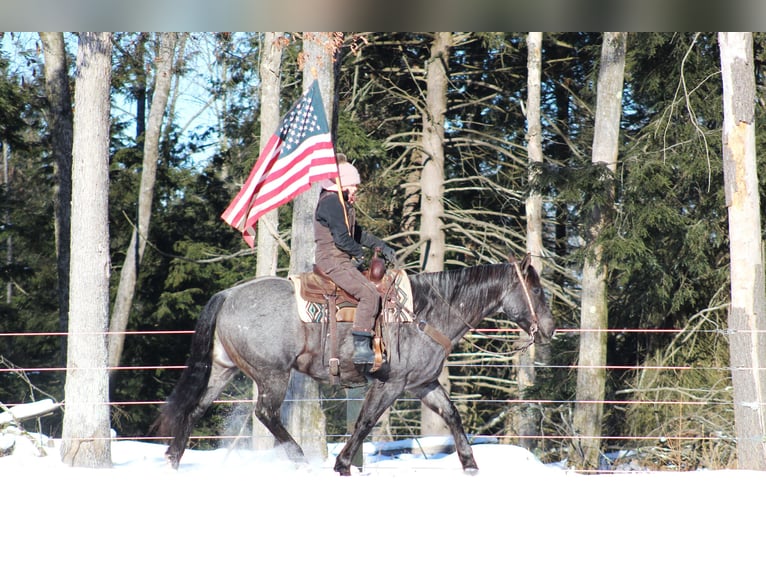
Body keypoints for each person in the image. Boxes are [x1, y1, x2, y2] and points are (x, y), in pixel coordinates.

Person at [314, 158, 396, 368]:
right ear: (341, 183)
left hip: (340, 258)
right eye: (353, 184)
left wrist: (380, 245)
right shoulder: (332, 202)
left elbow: (355, 233)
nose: (356, 188)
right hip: (333, 260)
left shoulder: (341, 202)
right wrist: (359, 254)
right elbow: (342, 239)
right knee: (369, 293)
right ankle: (360, 349)